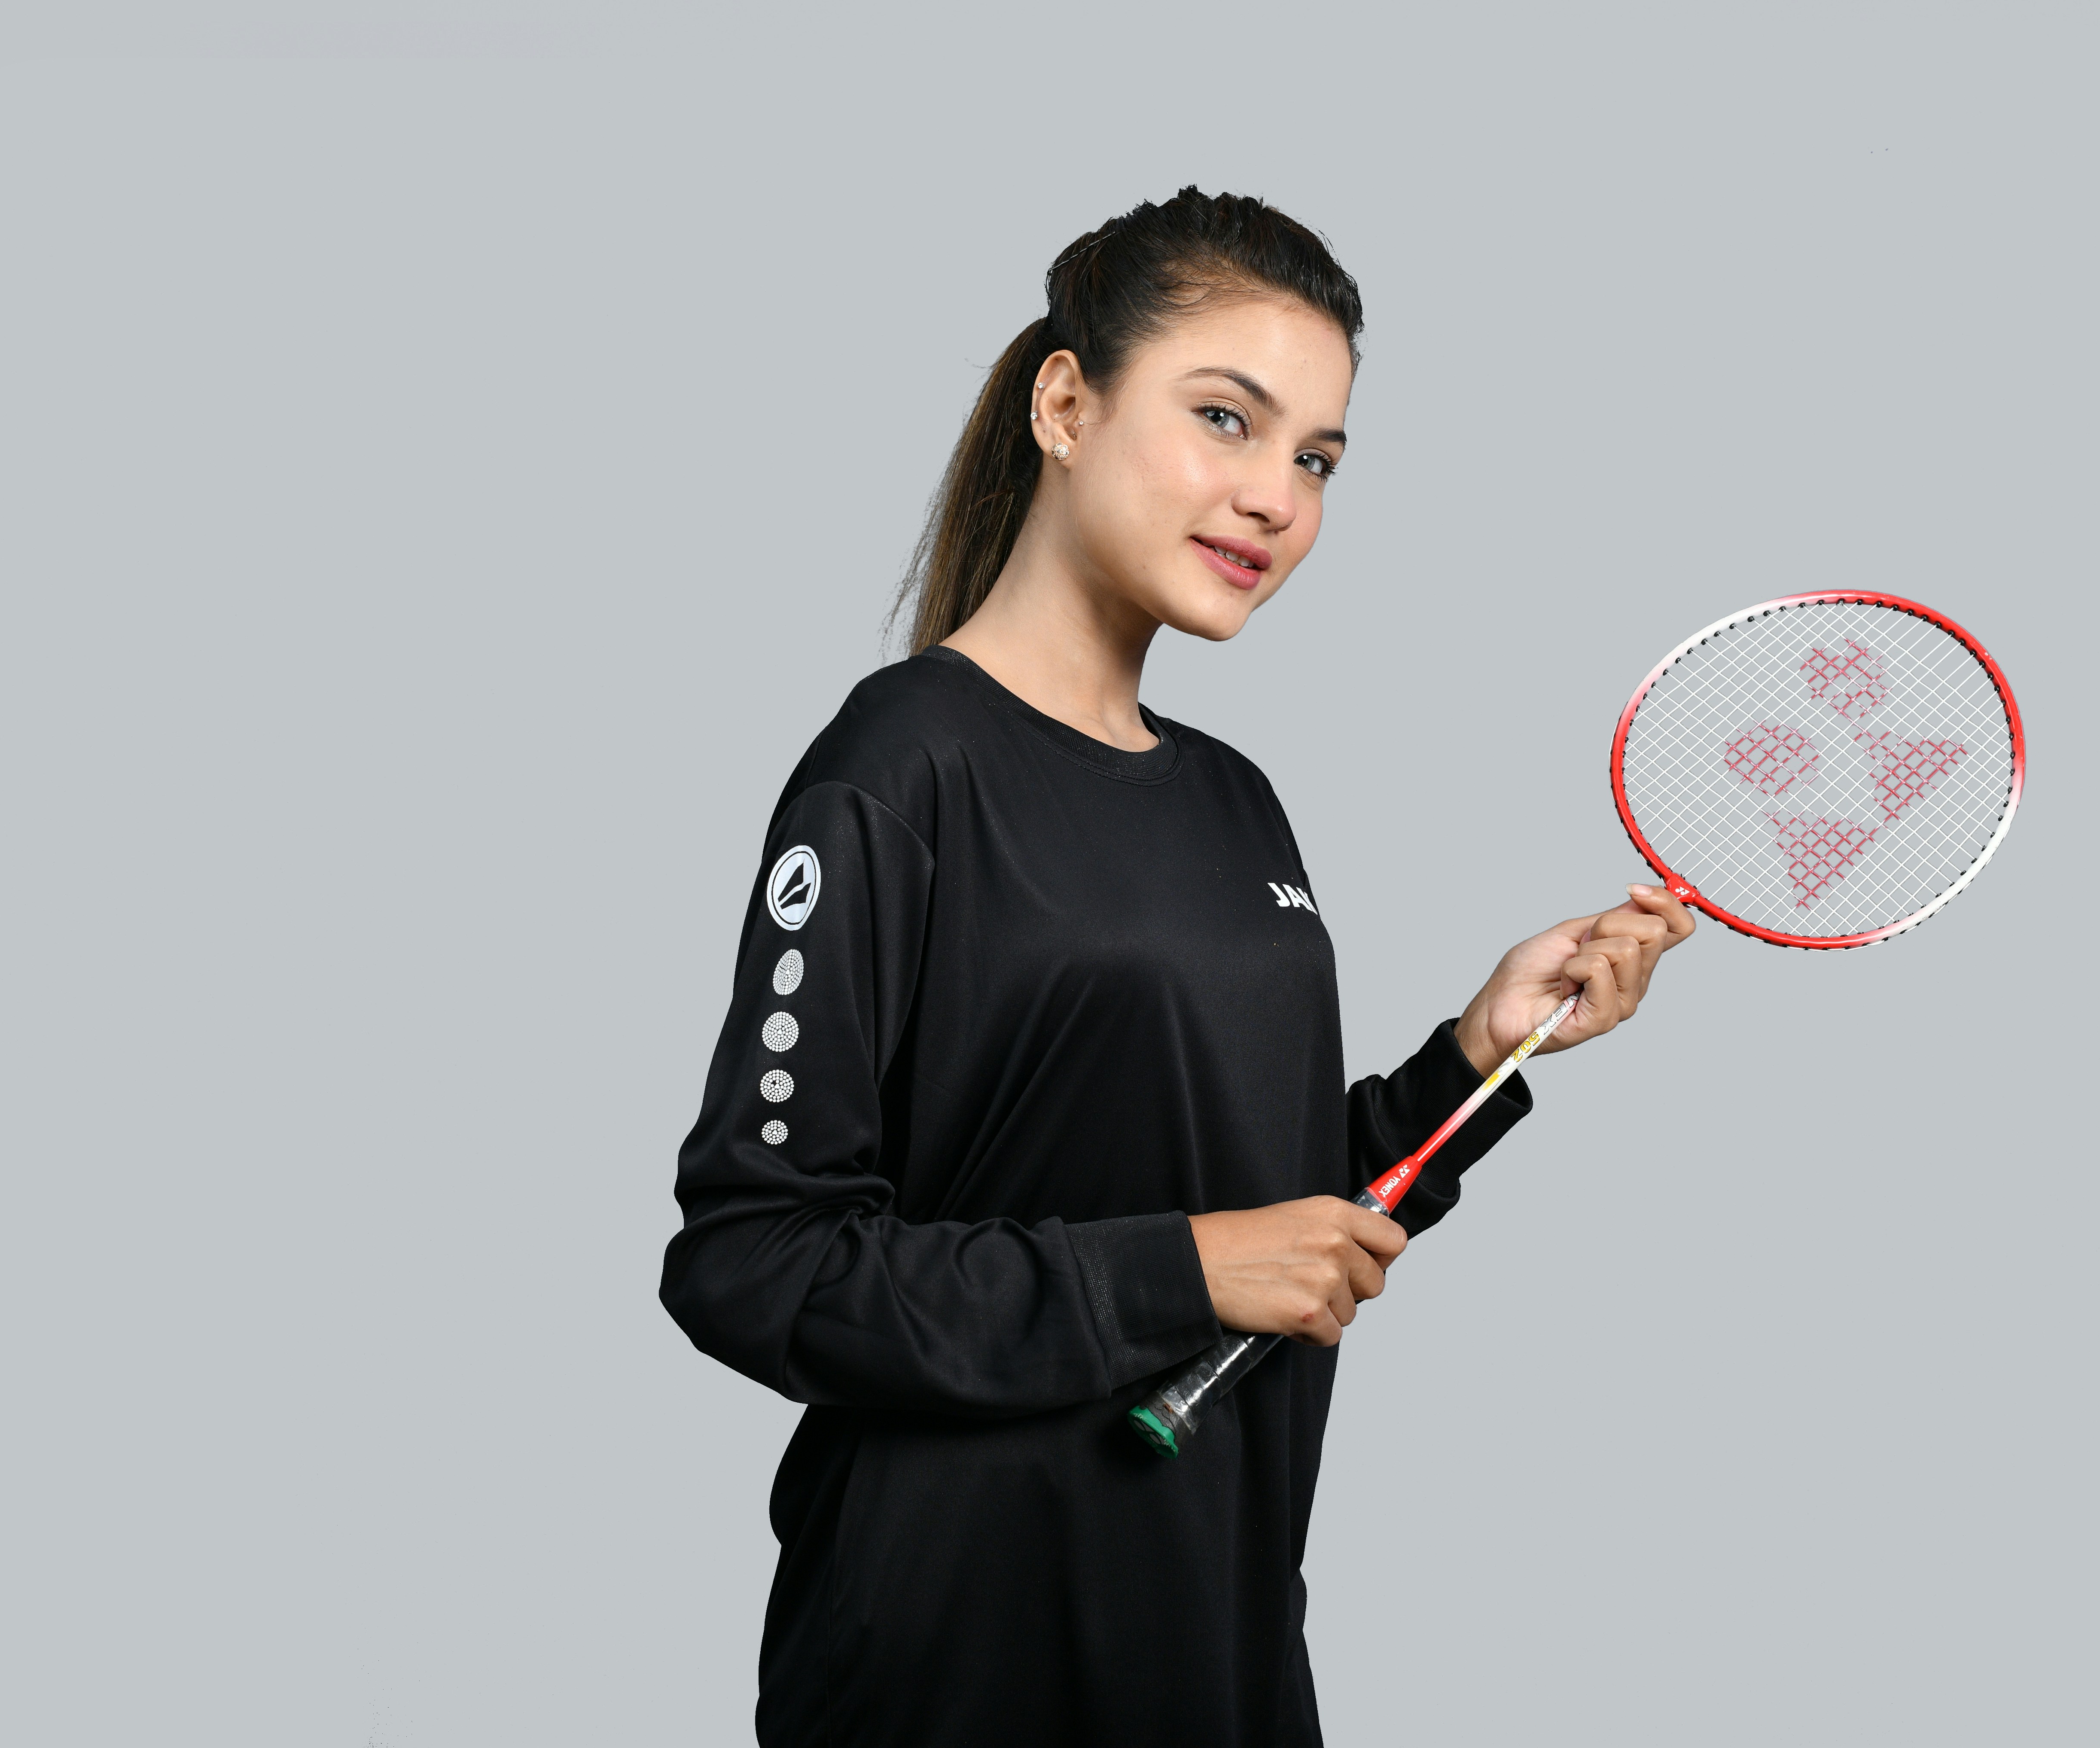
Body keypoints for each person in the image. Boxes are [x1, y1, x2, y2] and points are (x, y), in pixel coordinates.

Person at [659, 187, 1695, 1747]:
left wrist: (1474, 1063)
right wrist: (1182, 1271)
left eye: (1318, 459)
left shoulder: (1234, 800)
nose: (1274, 497)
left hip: (1220, 1636)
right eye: (1225, 418)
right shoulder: (901, 767)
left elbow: (1276, 1215)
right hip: (958, 1660)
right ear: (1065, 406)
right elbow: (755, 1263)